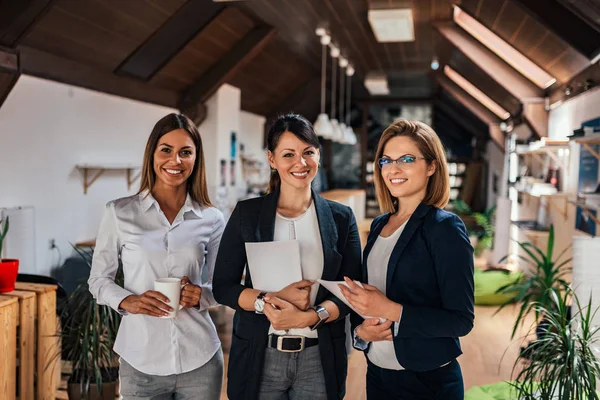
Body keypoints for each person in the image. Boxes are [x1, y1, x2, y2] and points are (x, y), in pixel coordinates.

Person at [213, 113, 362, 400]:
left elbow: (351, 288)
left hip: (319, 359)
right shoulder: (247, 215)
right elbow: (223, 286)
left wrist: (310, 317)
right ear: (272, 159)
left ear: (318, 154)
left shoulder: (341, 218)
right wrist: (265, 302)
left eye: (308, 152)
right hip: (260, 354)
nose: (300, 163)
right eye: (288, 154)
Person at [88, 113, 225, 399]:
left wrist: (202, 295)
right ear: (152, 154)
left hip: (200, 359)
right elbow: (99, 280)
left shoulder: (211, 218)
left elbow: (224, 285)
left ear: (196, 159)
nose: (175, 161)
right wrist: (129, 300)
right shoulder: (120, 212)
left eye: (185, 152)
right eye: (166, 150)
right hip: (140, 360)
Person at [339, 119, 474, 399]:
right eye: (386, 160)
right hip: (378, 373)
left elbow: (461, 320)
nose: (394, 169)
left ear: (432, 166)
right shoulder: (378, 225)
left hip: (428, 381)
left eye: (407, 159)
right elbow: (369, 299)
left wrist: (393, 310)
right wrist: (361, 333)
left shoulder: (444, 228)